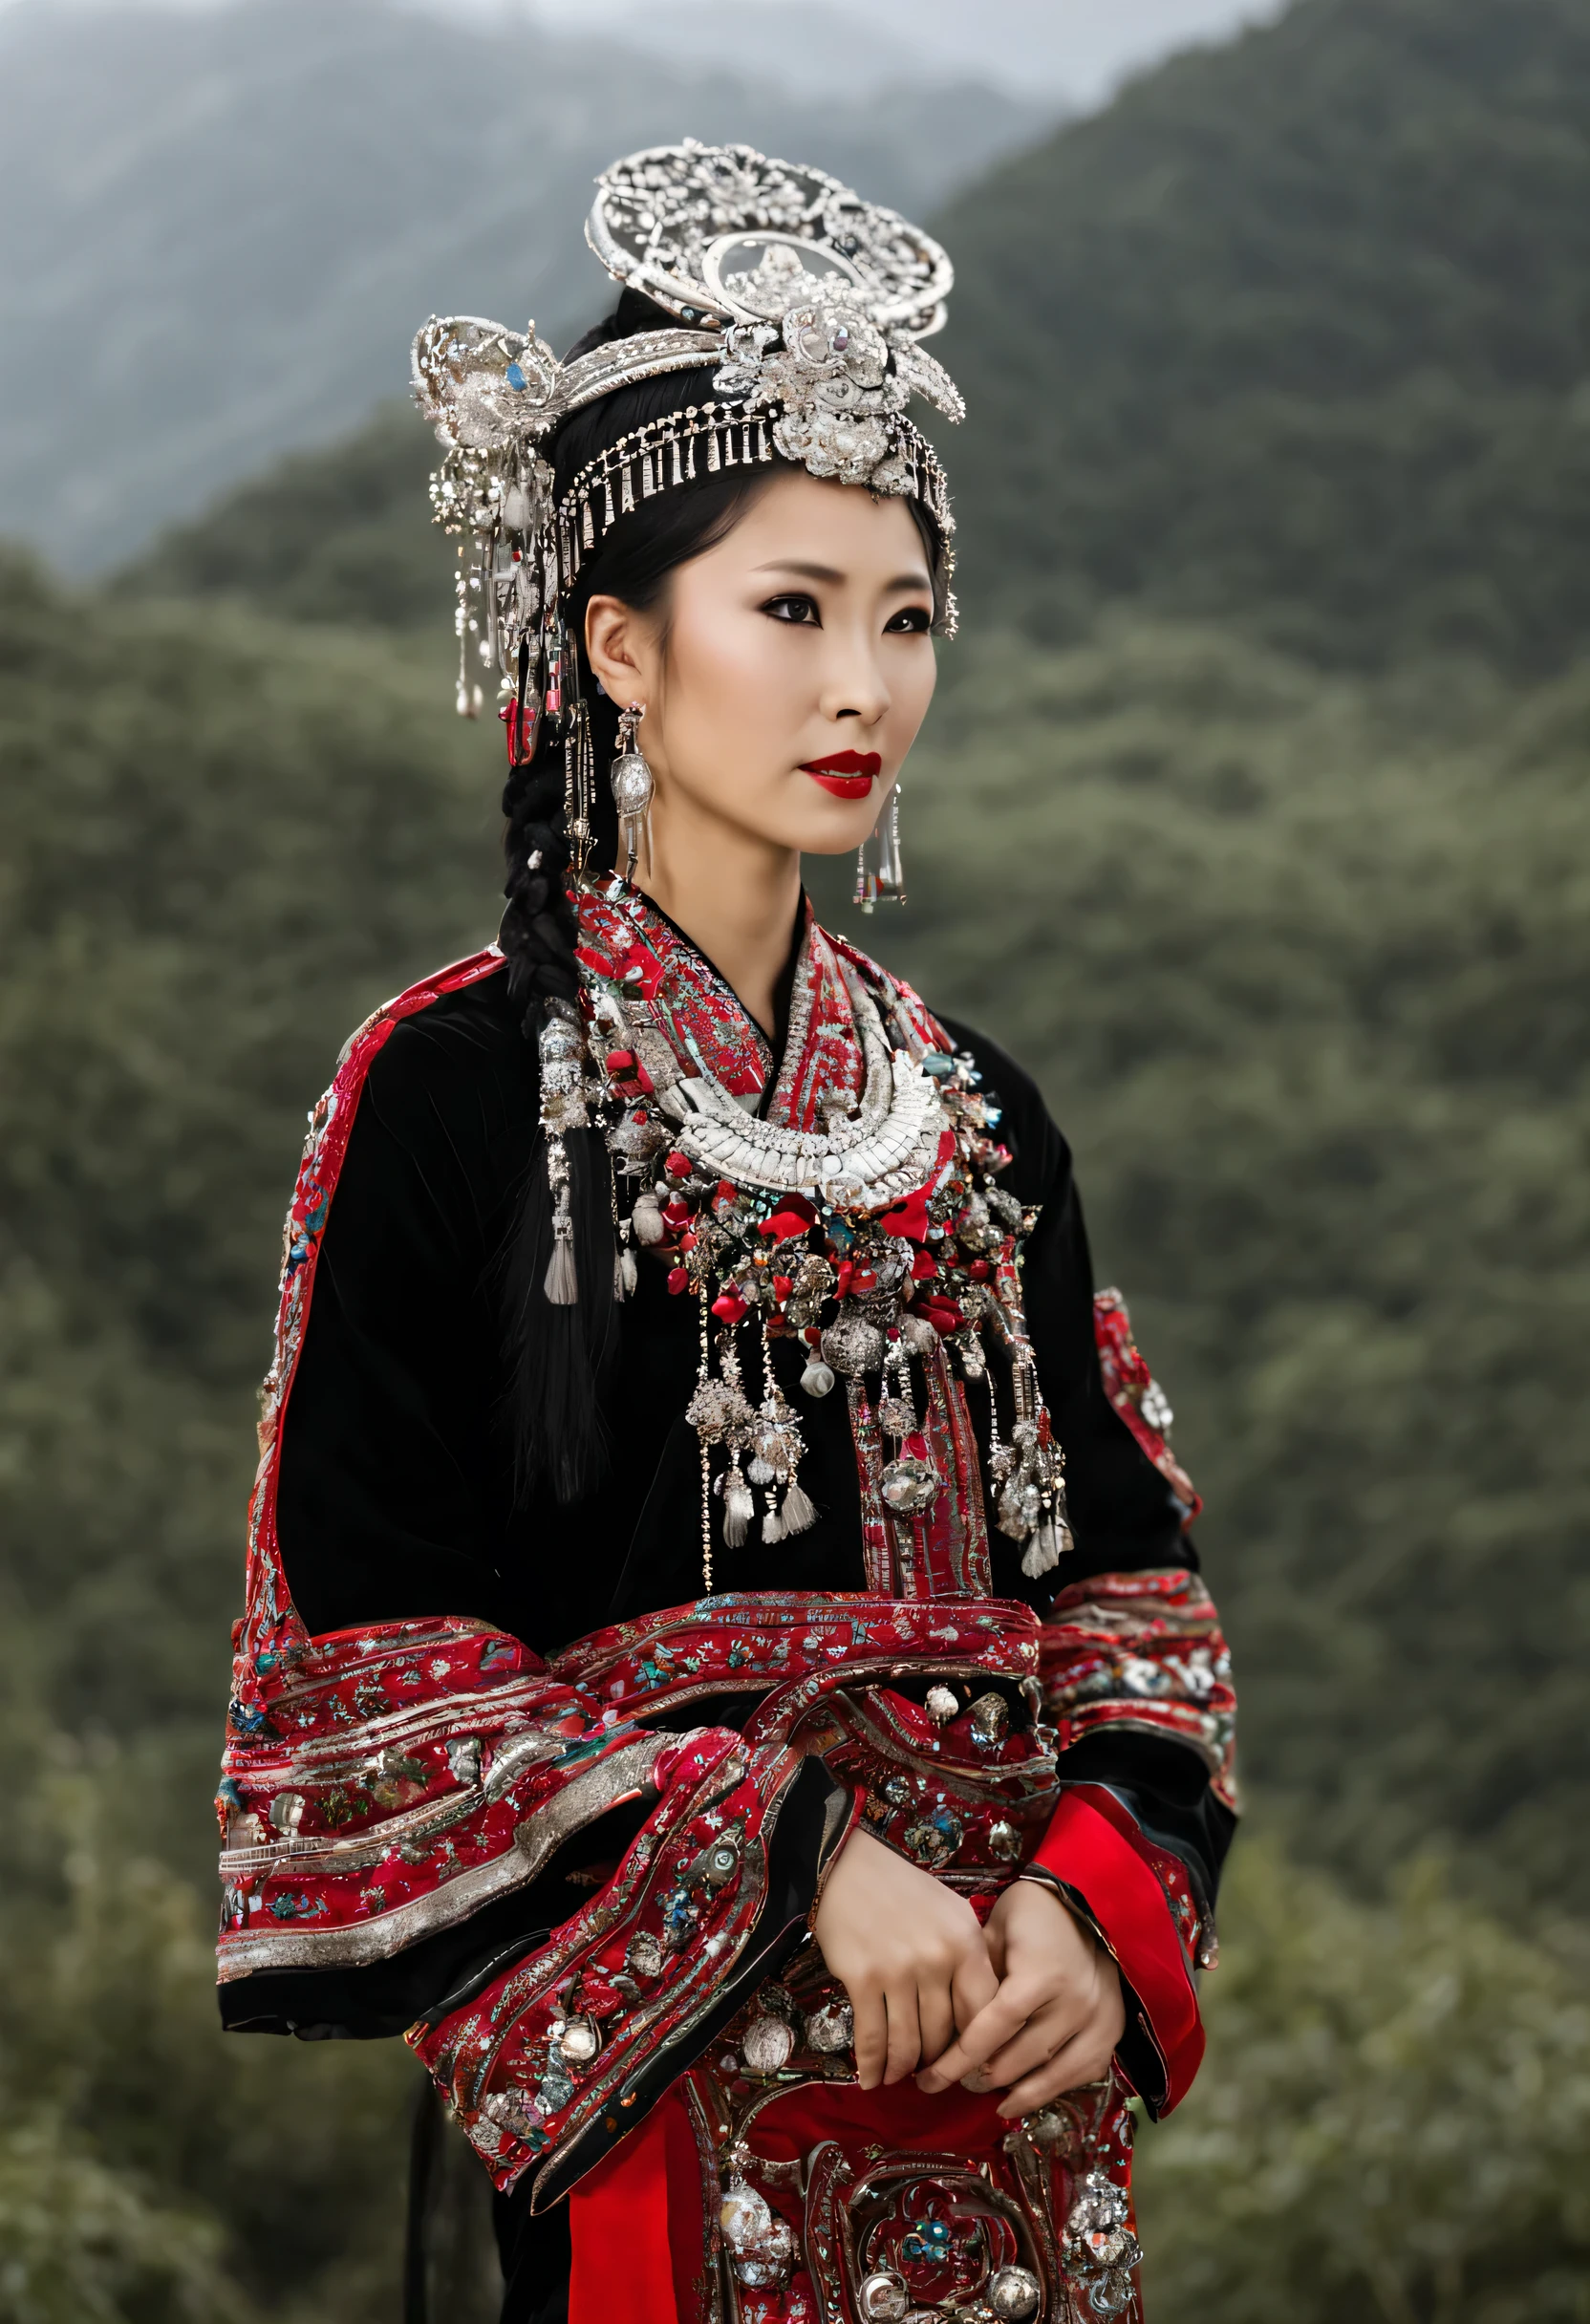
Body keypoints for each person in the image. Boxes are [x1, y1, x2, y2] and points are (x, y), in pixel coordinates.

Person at [213, 142, 1236, 2324]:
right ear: (614, 644)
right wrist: (786, 1862)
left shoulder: (973, 1116)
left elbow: (1136, 1608)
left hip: (1006, 2096)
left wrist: (1087, 1901)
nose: (862, 682)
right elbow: (363, 1681)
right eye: (791, 609)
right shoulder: (453, 1093)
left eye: (905, 616)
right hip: (679, 2117)